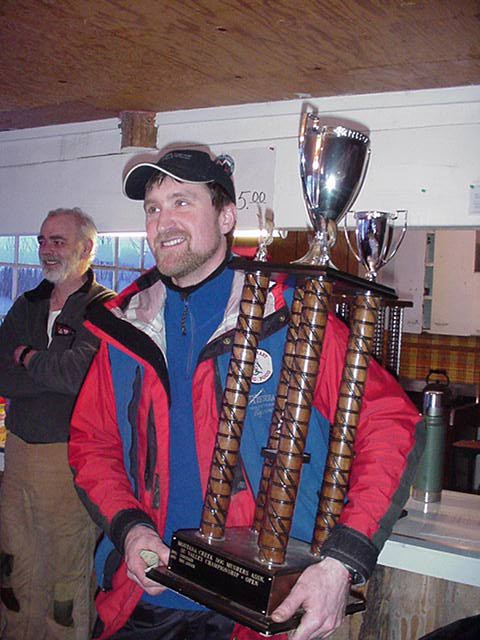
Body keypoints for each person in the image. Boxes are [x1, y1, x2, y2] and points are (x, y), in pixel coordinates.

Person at [68, 149, 424, 640]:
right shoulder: (125, 327)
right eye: (153, 208)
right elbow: (93, 445)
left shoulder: (291, 318)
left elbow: (390, 425)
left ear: (226, 217)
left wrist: (342, 559)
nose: (162, 222)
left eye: (181, 202)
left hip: (255, 612)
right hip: (144, 599)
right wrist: (129, 528)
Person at [0, 208, 115, 640]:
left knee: (64, 568)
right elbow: (3, 373)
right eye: (42, 240)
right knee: (14, 558)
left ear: (86, 249)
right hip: (18, 451)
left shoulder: (104, 308)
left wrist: (27, 357)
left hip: (68, 457)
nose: (47, 250)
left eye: (58, 241)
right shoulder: (27, 304)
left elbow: (77, 376)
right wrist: (46, 370)